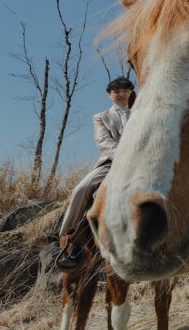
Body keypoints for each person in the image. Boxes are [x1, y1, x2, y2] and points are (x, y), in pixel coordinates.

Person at [55, 76, 135, 270]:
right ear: (110, 95)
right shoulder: (101, 117)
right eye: (116, 92)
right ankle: (75, 242)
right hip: (112, 163)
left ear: (132, 92)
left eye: (125, 90)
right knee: (82, 190)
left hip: (145, 161)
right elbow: (103, 142)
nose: (121, 94)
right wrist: (125, 156)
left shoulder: (144, 112)